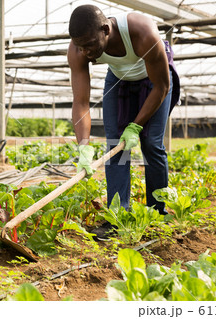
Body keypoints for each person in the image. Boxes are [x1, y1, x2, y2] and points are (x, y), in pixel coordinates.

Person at [68, 5, 180, 240]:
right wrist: (83, 145)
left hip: (155, 80)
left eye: (90, 44)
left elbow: (162, 86)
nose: (86, 52)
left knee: (151, 143)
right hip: (120, 79)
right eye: (81, 46)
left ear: (106, 29)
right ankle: (117, 218)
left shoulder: (142, 32)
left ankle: (157, 212)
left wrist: (136, 125)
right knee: (115, 145)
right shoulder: (78, 49)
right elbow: (81, 102)